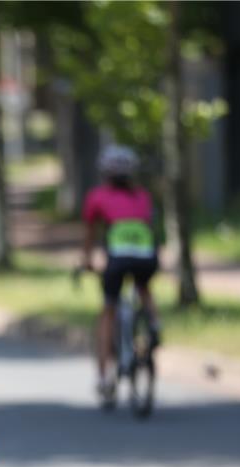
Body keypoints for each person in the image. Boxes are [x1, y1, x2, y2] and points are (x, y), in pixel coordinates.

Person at [80, 145, 161, 401]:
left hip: (117, 261)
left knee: (108, 309)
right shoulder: (143, 196)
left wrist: (87, 261)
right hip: (147, 258)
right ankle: (154, 324)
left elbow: (91, 234)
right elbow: (149, 227)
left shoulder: (97, 197)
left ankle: (104, 377)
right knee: (143, 287)